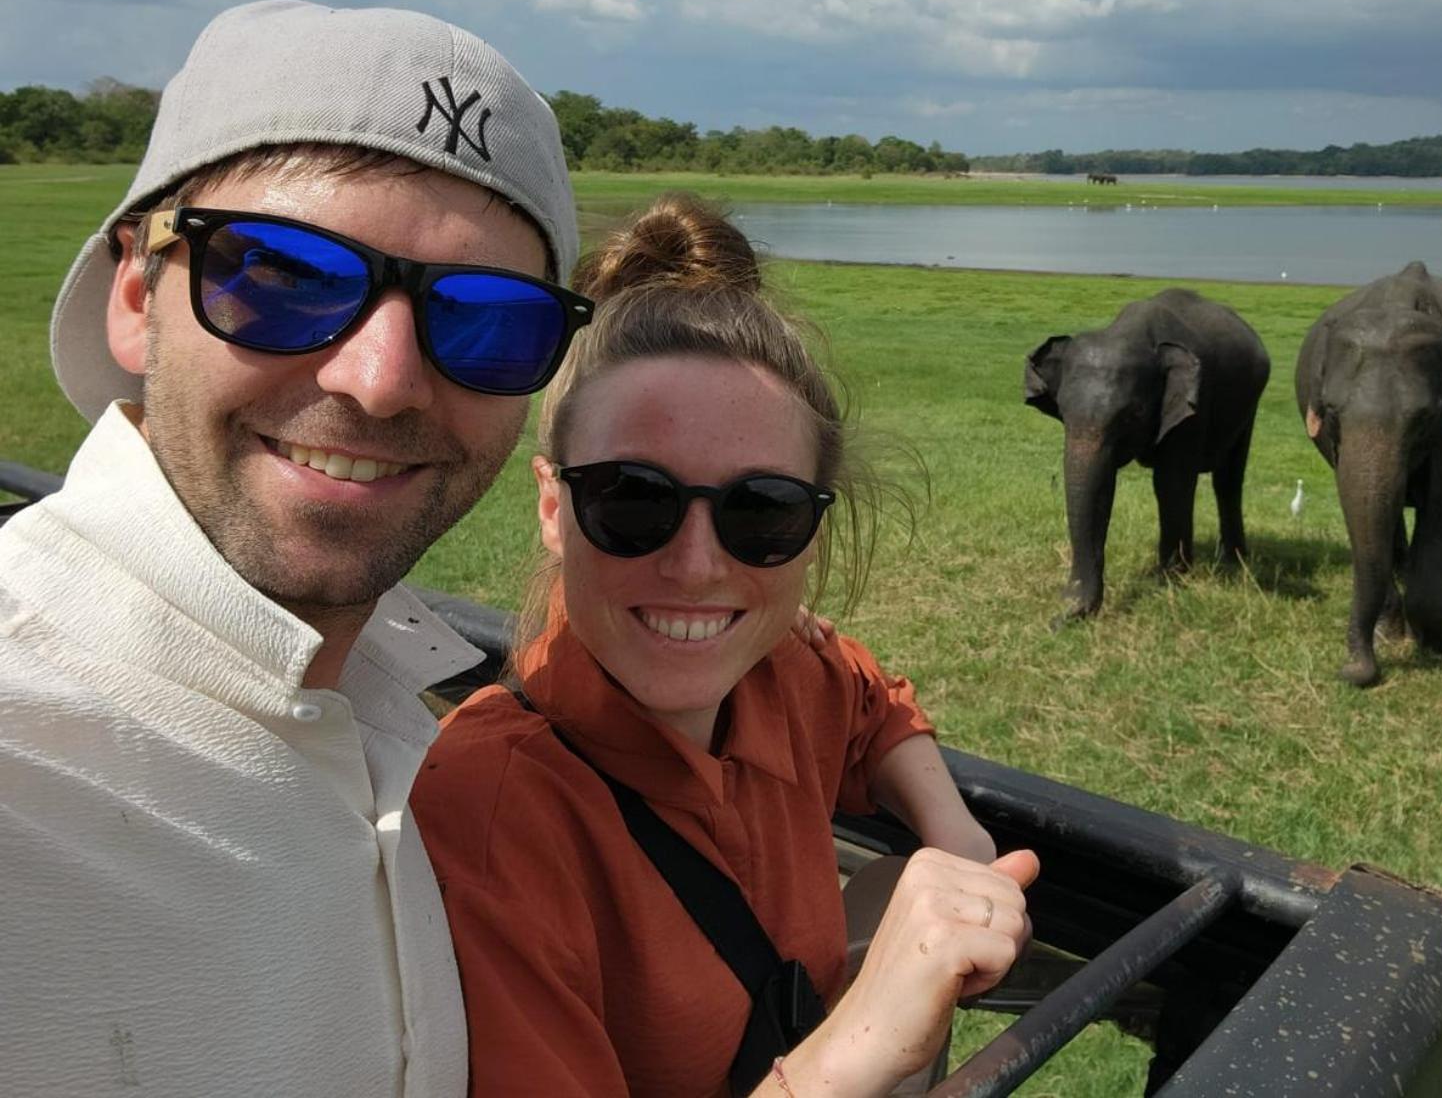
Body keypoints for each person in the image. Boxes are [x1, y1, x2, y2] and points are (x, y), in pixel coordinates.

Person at [0, 0, 591, 1096]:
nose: (379, 379)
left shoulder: (408, 724)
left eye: (488, 320)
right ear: (138, 296)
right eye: (280, 277)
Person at [411, 194, 1039, 1097]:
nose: (700, 566)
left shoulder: (784, 672)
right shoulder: (489, 819)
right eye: (632, 499)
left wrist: (953, 831)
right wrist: (854, 1050)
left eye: (763, 512)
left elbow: (870, 701)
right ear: (554, 507)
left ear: (811, 531)